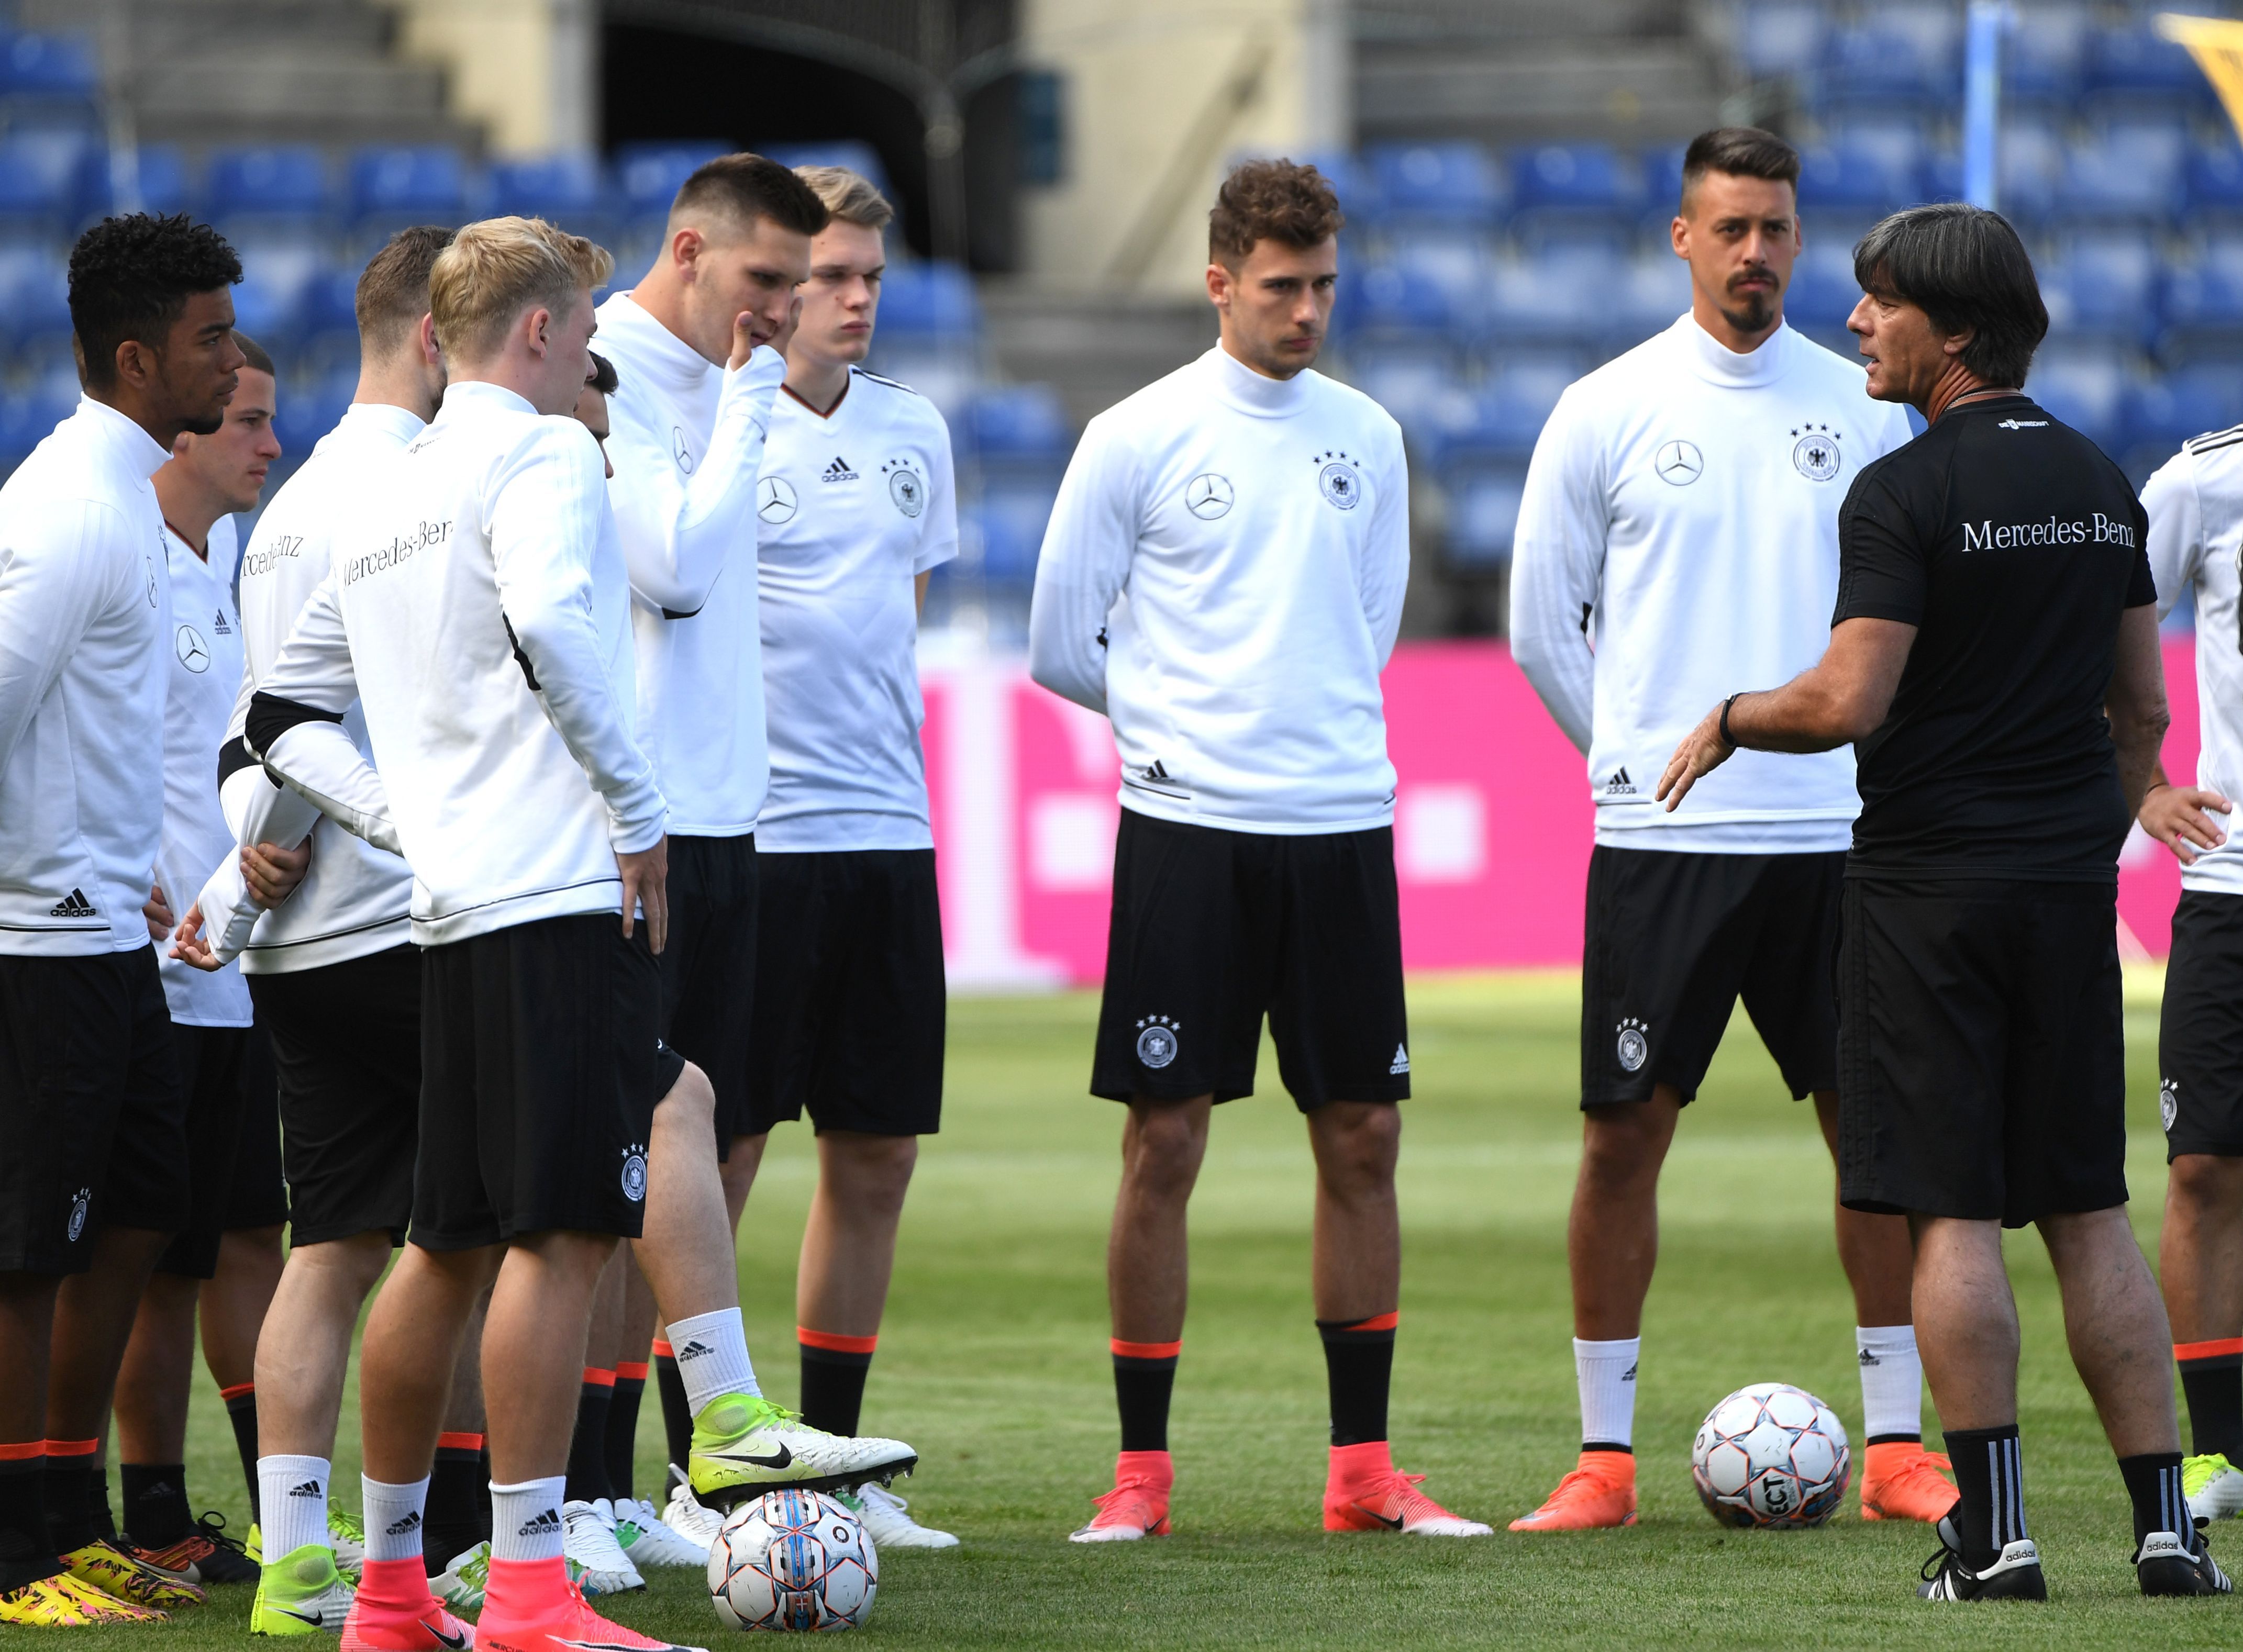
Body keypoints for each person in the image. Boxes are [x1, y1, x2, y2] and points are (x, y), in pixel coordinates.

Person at [1658, 200, 2221, 1601]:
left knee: (1949, 1212)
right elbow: (2140, 710)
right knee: (2087, 1207)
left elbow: (1850, 699)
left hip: (1923, 888)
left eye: (1880, 301)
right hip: (2057, 891)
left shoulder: (1900, 492)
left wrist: (1733, 711)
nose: (1855, 319)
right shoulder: (2101, 482)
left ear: (1951, 329)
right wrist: (2072, 832)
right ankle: (2165, 1530)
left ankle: (1994, 1536)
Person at [1029, 159, 1483, 1542]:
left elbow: (1365, 622)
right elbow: (1063, 639)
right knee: (1163, 1142)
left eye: (1323, 285)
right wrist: (1179, 720)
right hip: (1187, 829)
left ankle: (1361, 1472)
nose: (1306, 310)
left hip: (1338, 821)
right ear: (1219, 281)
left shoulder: (1366, 435)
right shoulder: (1133, 433)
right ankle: (1141, 1476)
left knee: (1363, 1134)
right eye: (1281, 287)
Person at [241, 215, 674, 1652]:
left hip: (446, 907)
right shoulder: (545, 452)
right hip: (553, 894)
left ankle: (383, 1592)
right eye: (586, 335)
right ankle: (537, 1592)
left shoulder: (386, 484)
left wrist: (405, 823)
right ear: (542, 331)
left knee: (441, 1245)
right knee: (556, 1241)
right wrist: (635, 808)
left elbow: (277, 718)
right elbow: (555, 621)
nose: (587, 361)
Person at [1506, 126, 1947, 1533]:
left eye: (1775, 228)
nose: (1755, 252)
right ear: (1681, 239)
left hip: (1839, 839)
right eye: (1730, 228)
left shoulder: (1867, 408)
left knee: (1869, 1139)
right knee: (1621, 1138)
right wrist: (1637, 767)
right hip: (1664, 850)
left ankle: (1891, 1445)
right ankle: (1602, 1458)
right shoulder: (1603, 406)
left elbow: (1917, 627)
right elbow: (1537, 628)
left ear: (1797, 242)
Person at [593, 153, 917, 1535]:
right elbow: (673, 573)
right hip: (635, 831)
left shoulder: (728, 387)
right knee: (609, 1171)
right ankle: (592, 1487)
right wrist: (742, 404)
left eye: (818, 280)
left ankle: (667, 1478)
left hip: (728, 823)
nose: (788, 309)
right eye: (772, 280)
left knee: (681, 1160)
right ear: (691, 250)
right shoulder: (604, 376)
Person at [173, 226, 455, 1633]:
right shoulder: (414, 490)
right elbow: (375, 713)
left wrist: (240, 874)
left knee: (331, 1242)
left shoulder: (279, 513)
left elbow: (262, 723)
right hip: (413, 917)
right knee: (494, 1228)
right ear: (437, 332)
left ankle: (297, 1558)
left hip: (298, 936)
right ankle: (466, 1547)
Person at [0, 211, 245, 1627]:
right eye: (212, 336)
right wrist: (50, 868)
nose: (232, 358)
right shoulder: (76, 515)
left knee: (142, 1212)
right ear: (141, 356)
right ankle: (16, 1543)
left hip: (110, 930)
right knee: (34, 1246)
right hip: (42, 944)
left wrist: (119, 855)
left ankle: (67, 1509)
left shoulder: (124, 501)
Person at [723, 164, 959, 1552]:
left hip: (887, 833)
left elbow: (898, 620)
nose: (858, 298)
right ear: (774, 282)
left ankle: (834, 1469)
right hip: (757, 840)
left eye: (871, 276)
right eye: (832, 277)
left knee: (873, 1159)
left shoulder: (915, 430)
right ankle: (683, 1469)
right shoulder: (713, 424)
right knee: (724, 1156)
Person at [109, 331, 285, 1587]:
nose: (272, 445)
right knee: (151, 1257)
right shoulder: (114, 556)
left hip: (238, 959)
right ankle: (150, 1511)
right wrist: (134, 875)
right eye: (248, 423)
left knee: (248, 1239)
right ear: (181, 433)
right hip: (143, 971)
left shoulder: (233, 557)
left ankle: (282, 1501)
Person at [2137, 410, 2243, 1528]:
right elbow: (2087, 635)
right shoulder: (2207, 484)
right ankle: (2220, 1451)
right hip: (2232, 889)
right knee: (2206, 1169)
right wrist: (2143, 786)